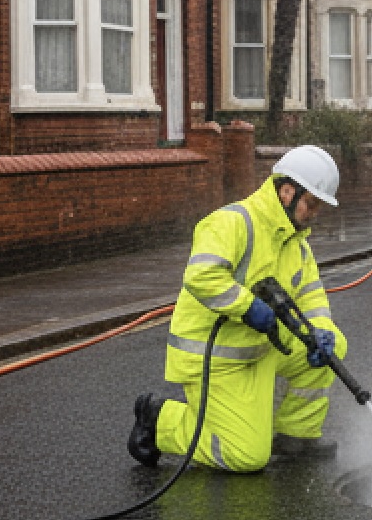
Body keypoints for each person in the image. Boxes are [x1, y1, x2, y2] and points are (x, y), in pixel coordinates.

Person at [128, 145, 347, 472]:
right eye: (311, 203)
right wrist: (247, 307)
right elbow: (201, 275)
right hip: (218, 357)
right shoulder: (233, 222)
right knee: (246, 457)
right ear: (287, 192)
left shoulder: (296, 244)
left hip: (259, 348)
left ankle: (296, 437)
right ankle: (160, 420)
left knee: (334, 347)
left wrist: (322, 332)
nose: (314, 213)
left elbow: (312, 298)